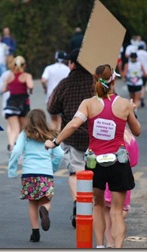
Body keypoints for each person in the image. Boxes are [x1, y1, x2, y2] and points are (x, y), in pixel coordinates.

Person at [45, 64, 141, 248]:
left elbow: (73, 125)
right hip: (118, 162)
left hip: (94, 162)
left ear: (95, 80)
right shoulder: (124, 104)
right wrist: (132, 111)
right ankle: (118, 247)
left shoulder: (88, 104)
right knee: (117, 211)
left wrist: (55, 142)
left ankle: (100, 245)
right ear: (114, 80)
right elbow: (137, 131)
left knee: (97, 206)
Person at [47, 48, 94, 228]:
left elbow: (51, 107)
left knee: (75, 172)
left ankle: (78, 203)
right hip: (94, 136)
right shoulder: (94, 82)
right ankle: (91, 205)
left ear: (72, 64)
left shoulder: (65, 84)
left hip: (72, 136)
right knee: (93, 173)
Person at [8, 109, 64, 242]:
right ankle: (44, 209)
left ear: (29, 120)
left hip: (29, 174)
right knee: (46, 200)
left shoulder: (25, 134)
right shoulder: (50, 136)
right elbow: (60, 154)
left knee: (32, 203)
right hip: (45, 173)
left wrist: (12, 169)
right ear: (44, 120)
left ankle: (35, 233)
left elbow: (16, 151)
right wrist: (54, 167)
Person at [104, 128, 139, 248]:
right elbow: (133, 162)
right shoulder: (129, 138)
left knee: (106, 211)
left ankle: (109, 242)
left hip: (106, 179)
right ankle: (117, 242)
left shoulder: (105, 134)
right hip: (122, 178)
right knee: (120, 212)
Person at [1, 55, 34, 153]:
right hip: (23, 104)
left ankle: (11, 145)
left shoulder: (9, 76)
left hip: (11, 104)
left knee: (13, 127)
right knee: (23, 128)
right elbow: (30, 85)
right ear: (24, 65)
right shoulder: (27, 76)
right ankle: (21, 147)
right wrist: (29, 89)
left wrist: (10, 87)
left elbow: (3, 89)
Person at [41, 51, 70, 131]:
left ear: (55, 58)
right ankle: (58, 139)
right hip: (63, 96)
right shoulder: (67, 69)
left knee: (53, 119)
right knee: (61, 119)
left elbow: (43, 80)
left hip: (51, 95)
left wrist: (45, 88)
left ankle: (52, 137)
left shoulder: (49, 68)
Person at [0, 58, 14, 154]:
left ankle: (11, 144)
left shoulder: (5, 75)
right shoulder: (21, 74)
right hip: (17, 103)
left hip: (7, 103)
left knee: (10, 124)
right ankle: (15, 144)